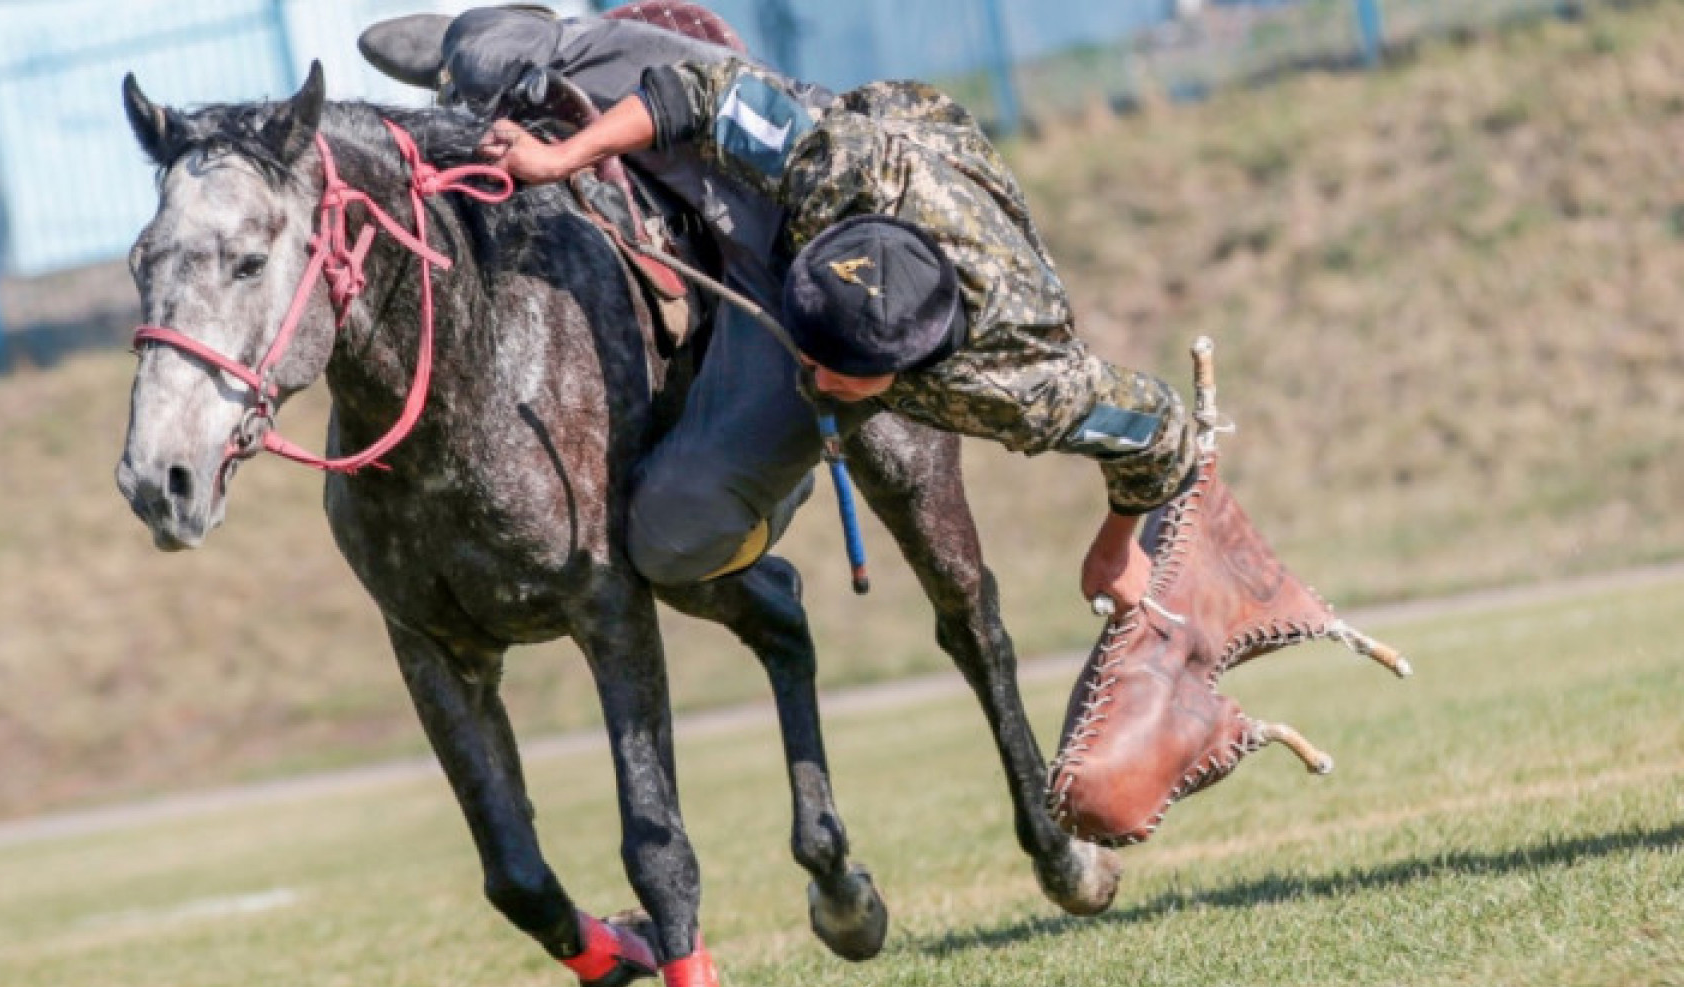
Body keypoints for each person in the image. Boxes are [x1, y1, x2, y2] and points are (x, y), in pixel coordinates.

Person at [480, 53, 1195, 609]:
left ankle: (776, 489)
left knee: (671, 538)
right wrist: (557, 158)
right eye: (811, 353)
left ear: (905, 370)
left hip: (939, 246)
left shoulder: (1023, 384)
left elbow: (1162, 429)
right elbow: (701, 93)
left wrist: (1116, 545)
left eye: (838, 374)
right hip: (854, 147)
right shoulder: (844, 171)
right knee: (582, 67)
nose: (813, 375)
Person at [362, 6, 827, 584]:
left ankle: (776, 488)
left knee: (674, 534)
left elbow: (675, 100)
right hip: (776, 165)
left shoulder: (825, 167)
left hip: (791, 222)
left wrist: (555, 155)